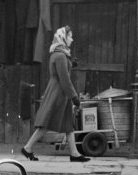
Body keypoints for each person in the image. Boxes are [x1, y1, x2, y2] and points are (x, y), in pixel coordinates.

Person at [21, 26, 90, 162]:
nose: (72, 39)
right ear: (63, 38)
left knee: (68, 125)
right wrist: (74, 97)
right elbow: (64, 79)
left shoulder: (60, 53)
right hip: (58, 93)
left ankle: (74, 154)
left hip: (60, 93)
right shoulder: (60, 55)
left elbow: (62, 72)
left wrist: (71, 64)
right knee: (46, 122)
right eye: (69, 36)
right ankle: (27, 147)